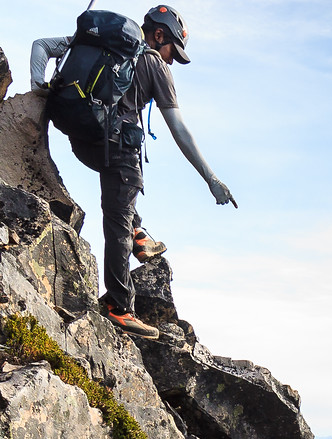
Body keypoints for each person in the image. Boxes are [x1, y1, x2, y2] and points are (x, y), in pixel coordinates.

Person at [30, 6, 236, 339]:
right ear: (159, 35)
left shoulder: (99, 43)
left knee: (120, 207)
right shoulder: (154, 64)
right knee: (116, 222)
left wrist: (38, 83)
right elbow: (179, 130)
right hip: (119, 153)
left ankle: (139, 236)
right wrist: (211, 179)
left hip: (82, 140)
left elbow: (41, 45)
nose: (172, 60)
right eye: (173, 51)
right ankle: (120, 307)